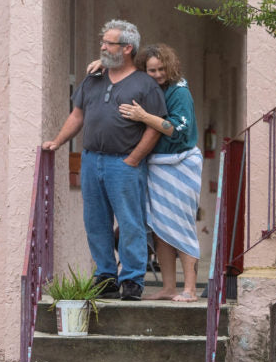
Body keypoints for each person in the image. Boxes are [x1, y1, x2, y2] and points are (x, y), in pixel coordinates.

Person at [43, 20, 167, 301]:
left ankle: (133, 279)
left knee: (130, 221)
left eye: (108, 43)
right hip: (91, 160)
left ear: (126, 48)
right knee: (95, 221)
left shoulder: (145, 84)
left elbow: (155, 127)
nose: (102, 46)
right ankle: (106, 275)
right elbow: (77, 115)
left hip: (123, 163)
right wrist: (58, 142)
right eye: (103, 42)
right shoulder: (93, 78)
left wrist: (134, 158)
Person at [110, 44, 203, 301]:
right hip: (157, 165)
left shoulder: (179, 90)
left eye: (162, 69)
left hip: (180, 164)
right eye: (152, 70)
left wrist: (143, 116)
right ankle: (169, 287)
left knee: (182, 226)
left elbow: (177, 130)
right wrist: (100, 66)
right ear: (143, 70)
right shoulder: (150, 88)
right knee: (161, 229)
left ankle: (190, 289)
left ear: (170, 67)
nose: (158, 74)